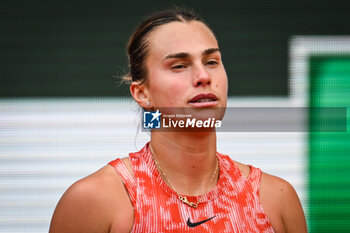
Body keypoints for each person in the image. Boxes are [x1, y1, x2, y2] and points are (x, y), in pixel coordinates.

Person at [49, 8, 307, 233]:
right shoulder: (94, 201)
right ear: (142, 93)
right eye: (179, 65)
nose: (203, 75)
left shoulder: (276, 199)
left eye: (212, 61)